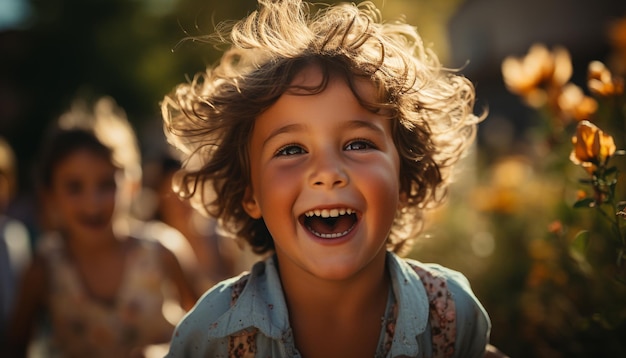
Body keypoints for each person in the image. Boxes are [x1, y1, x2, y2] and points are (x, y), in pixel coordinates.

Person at [162, 0, 493, 357]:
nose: (327, 173)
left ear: (405, 176)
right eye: (290, 150)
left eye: (358, 143)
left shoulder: (451, 317)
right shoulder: (211, 334)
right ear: (251, 194)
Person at [6, 97, 198, 357]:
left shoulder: (162, 251)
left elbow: (209, 334)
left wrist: (164, 352)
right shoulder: (45, 268)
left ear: (132, 185)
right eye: (74, 187)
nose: (92, 203)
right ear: (50, 196)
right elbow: (14, 347)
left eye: (106, 184)